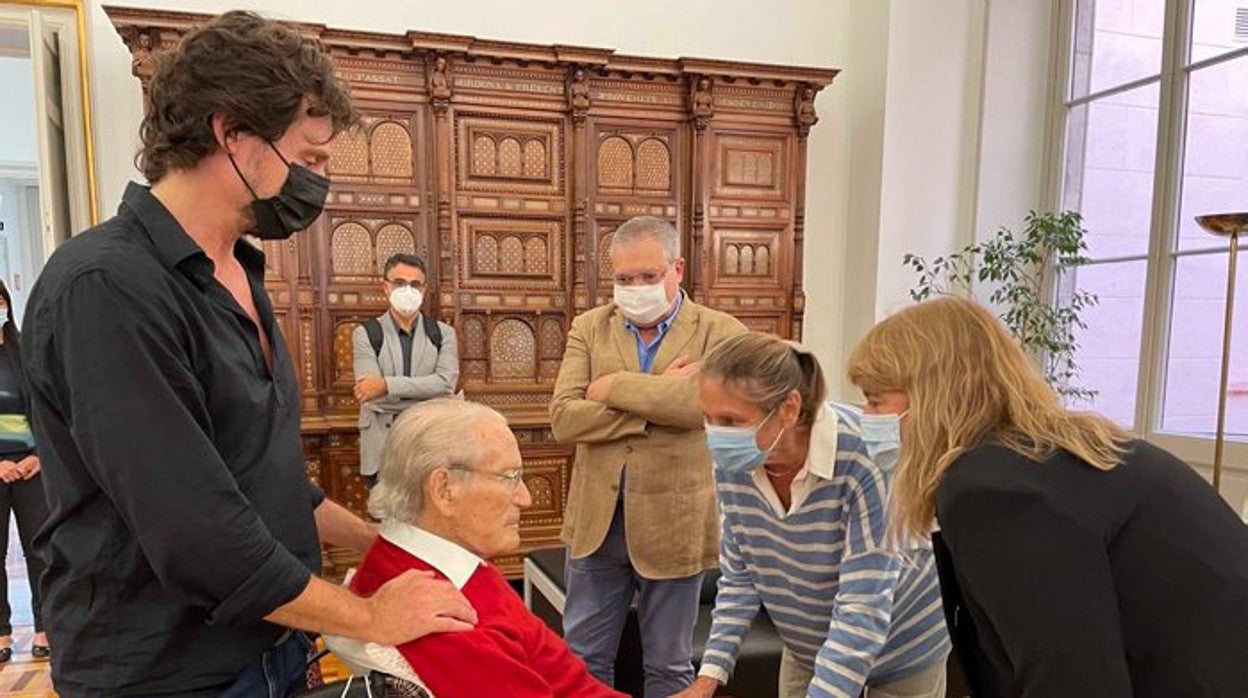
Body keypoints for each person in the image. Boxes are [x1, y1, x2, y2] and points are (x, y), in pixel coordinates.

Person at [21, 11, 475, 696]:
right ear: (231, 132)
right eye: (311, 156)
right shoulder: (108, 286)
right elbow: (196, 532)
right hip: (167, 672)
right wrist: (370, 615)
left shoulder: (239, 270)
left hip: (271, 646)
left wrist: (382, 548)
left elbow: (262, 480)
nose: (321, 180)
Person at [846, 295, 1248, 698]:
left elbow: (1071, 681)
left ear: (933, 397)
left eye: (876, 399)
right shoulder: (1039, 457)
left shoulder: (991, 490)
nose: (866, 415)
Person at [675, 332, 949, 698]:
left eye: (730, 419)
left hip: (901, 644)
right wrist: (708, 678)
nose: (717, 435)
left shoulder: (865, 456)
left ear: (789, 408)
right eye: (708, 418)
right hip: (808, 646)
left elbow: (862, 605)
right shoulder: (735, 462)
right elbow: (741, 577)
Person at [549, 215, 746, 696]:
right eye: (623, 279)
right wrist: (655, 398)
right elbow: (564, 419)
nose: (635, 288)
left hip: (674, 524)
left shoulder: (721, 333)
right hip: (597, 523)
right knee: (583, 662)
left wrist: (612, 388)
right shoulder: (589, 328)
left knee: (669, 666)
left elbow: (698, 407)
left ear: (677, 269)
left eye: (648, 277)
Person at [331, 398, 627, 697]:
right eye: (509, 477)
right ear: (444, 490)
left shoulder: (422, 564)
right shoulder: (439, 617)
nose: (526, 498)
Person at [354, 253, 459, 488]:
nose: (408, 290)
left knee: (430, 523)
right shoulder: (366, 334)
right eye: (400, 283)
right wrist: (432, 398)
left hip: (431, 448)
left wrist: (385, 385)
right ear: (386, 286)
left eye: (415, 284)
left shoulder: (443, 334)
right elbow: (370, 396)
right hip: (383, 449)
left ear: (423, 290)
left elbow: (445, 384)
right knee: (388, 523)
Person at [0, 281, 50, 663]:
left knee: (41, 551)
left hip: (33, 466)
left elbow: (49, 408)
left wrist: (39, 455)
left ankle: (45, 628)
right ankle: (1, 633)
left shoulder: (25, 352)